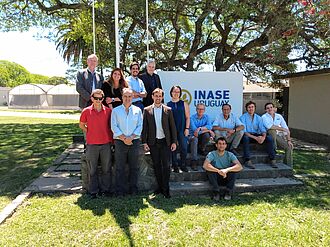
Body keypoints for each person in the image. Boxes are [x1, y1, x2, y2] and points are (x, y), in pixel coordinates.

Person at [142, 88, 177, 198]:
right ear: (152, 97)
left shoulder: (168, 110)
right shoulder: (147, 110)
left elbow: (173, 127)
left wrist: (174, 142)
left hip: (165, 142)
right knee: (156, 165)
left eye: (160, 96)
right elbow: (145, 128)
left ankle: (165, 189)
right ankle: (159, 187)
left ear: (162, 97)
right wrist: (144, 142)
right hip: (153, 142)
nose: (158, 98)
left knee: (166, 166)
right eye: (156, 95)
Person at [79, 89, 112, 198]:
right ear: (92, 98)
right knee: (92, 169)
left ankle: (106, 190)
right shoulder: (86, 111)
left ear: (103, 99)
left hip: (106, 144)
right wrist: (90, 131)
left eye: (100, 98)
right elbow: (81, 125)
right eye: (96, 98)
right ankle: (93, 191)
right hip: (92, 144)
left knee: (106, 169)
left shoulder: (108, 111)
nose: (98, 100)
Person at [111, 88, 143, 196]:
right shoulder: (115, 111)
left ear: (133, 97)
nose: (127, 98)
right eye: (125, 96)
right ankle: (120, 190)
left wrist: (131, 137)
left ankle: (133, 189)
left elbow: (140, 125)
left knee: (134, 166)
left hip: (134, 141)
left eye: (130, 96)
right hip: (120, 141)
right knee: (120, 167)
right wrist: (124, 138)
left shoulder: (138, 110)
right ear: (122, 97)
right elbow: (114, 126)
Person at [240, 101, 276, 169]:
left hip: (257, 135)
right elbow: (244, 132)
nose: (251, 108)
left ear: (255, 108)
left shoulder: (258, 118)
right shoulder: (243, 117)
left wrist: (263, 137)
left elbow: (263, 129)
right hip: (248, 136)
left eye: (252, 107)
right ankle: (247, 160)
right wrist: (256, 138)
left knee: (269, 138)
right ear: (246, 109)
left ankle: (272, 159)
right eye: (249, 107)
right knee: (245, 138)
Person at [262, 102, 294, 166]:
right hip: (267, 136)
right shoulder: (264, 117)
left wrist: (289, 140)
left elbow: (286, 129)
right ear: (265, 110)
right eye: (267, 108)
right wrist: (282, 129)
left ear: (274, 108)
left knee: (288, 147)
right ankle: (274, 149)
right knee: (272, 130)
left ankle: (288, 165)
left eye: (271, 107)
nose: (270, 109)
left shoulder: (279, 116)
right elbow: (269, 126)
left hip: (276, 136)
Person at [167, 85, 190, 173]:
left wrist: (187, 128)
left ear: (180, 93)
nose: (176, 93)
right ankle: (174, 165)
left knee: (184, 147)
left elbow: (187, 117)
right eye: (174, 91)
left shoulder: (184, 103)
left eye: (178, 92)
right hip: (172, 130)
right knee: (173, 148)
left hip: (182, 129)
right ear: (171, 93)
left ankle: (183, 164)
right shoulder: (168, 104)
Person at [189, 103, 215, 171]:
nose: (200, 110)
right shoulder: (192, 118)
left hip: (201, 136)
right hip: (193, 136)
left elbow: (210, 126)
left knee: (207, 135)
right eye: (199, 109)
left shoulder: (207, 117)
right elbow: (195, 131)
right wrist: (208, 130)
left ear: (204, 110)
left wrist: (200, 128)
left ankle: (202, 149)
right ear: (196, 109)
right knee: (195, 139)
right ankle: (194, 161)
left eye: (202, 109)